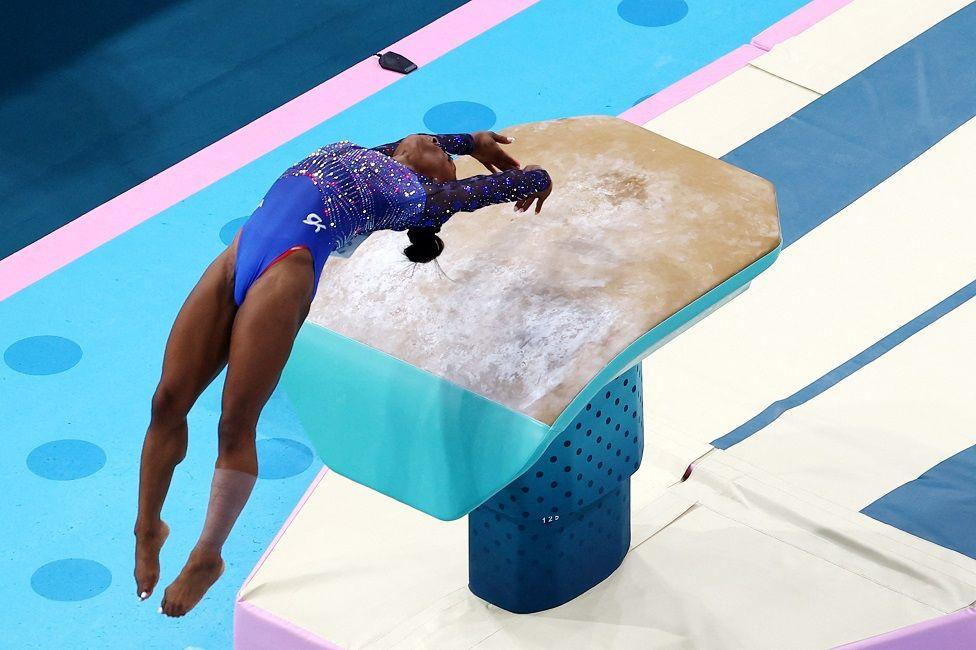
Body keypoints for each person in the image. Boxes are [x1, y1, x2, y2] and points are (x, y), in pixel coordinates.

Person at [133, 130, 553, 616]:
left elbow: (512, 184)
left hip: (286, 271)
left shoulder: (422, 198)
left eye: (443, 156)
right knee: (166, 401)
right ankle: (148, 526)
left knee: (235, 421)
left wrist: (532, 178)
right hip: (240, 254)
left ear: (433, 179)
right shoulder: (383, 156)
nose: (436, 148)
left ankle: (207, 556)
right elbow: (422, 141)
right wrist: (473, 141)